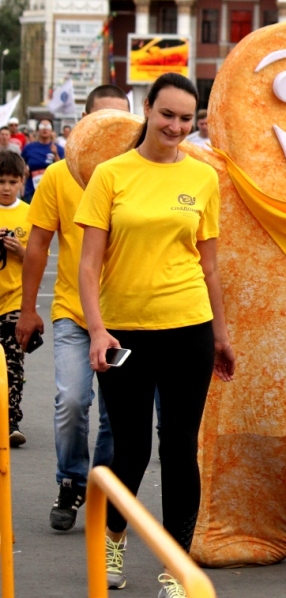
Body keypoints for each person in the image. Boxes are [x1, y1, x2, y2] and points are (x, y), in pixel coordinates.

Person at [75, 73, 235, 597]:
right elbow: (90, 262)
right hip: (124, 335)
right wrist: (97, 330)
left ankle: (175, 568)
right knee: (131, 450)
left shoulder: (203, 178)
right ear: (147, 109)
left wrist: (221, 332)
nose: (176, 126)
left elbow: (209, 266)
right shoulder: (111, 175)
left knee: (181, 449)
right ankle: (114, 540)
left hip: (188, 326)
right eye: (168, 114)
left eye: (187, 118)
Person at [17, 84, 129, 531]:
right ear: (81, 126)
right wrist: (29, 309)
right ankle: (70, 480)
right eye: (101, 122)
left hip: (126, 315)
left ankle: (98, 485)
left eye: (121, 122)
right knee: (71, 401)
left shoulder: (141, 174)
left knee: (116, 414)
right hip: (72, 313)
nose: (111, 132)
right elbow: (39, 244)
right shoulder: (61, 176)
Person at [0, 152, 32, 447]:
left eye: (12, 182)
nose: (6, 188)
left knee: (13, 365)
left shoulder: (29, 214)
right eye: (1, 182)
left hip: (14, 303)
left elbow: (38, 260)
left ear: (22, 181)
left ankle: (11, 422)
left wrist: (20, 250)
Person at [22, 120, 65, 203]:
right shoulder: (29, 148)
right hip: (31, 190)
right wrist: (24, 171)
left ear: (52, 130)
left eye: (48, 127)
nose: (45, 129)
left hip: (51, 191)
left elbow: (62, 169)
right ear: (38, 130)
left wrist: (55, 154)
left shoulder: (59, 149)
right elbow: (21, 164)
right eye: (42, 126)